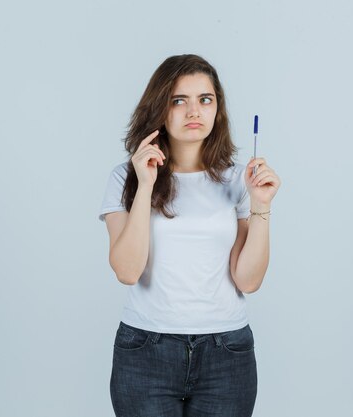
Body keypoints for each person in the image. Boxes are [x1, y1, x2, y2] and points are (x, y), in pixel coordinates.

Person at [98, 54, 281, 417]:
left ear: (218, 109)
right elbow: (127, 271)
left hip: (226, 353)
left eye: (205, 99)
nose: (193, 111)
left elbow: (248, 279)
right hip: (146, 351)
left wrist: (261, 206)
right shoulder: (127, 177)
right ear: (159, 108)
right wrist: (146, 186)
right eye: (178, 100)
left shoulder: (236, 179)